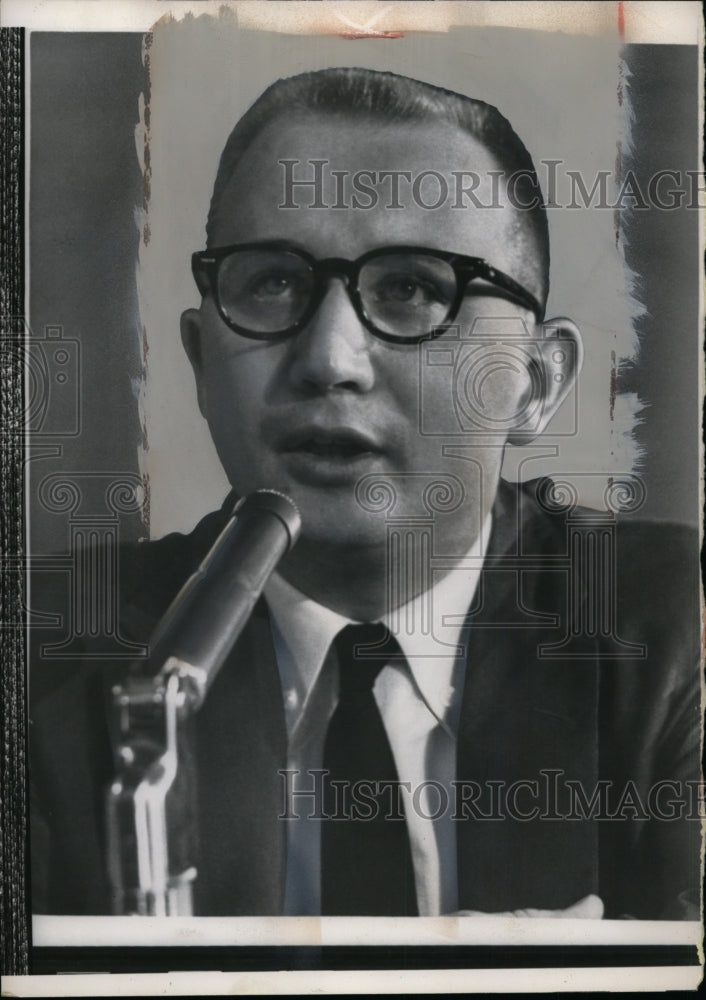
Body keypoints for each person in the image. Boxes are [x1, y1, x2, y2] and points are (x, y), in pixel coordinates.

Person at [30, 68, 701, 920]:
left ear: (534, 383)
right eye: (272, 282)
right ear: (202, 363)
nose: (330, 359)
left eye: (414, 288)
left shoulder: (680, 630)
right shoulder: (38, 653)